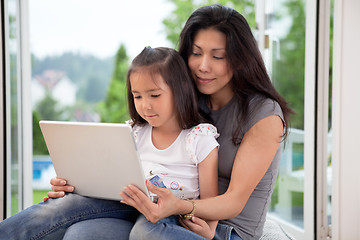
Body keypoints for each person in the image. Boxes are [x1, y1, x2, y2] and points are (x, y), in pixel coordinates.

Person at [0, 47, 219, 240]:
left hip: (170, 213)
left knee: (146, 232)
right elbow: (106, 173)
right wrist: (72, 184)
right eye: (137, 97)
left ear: (180, 88)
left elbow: (212, 201)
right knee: (65, 205)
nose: (146, 106)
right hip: (126, 203)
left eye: (154, 95)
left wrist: (209, 229)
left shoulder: (199, 137)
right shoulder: (133, 131)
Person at [120, 4, 293, 240]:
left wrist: (183, 207)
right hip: (167, 214)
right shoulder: (185, 98)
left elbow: (234, 201)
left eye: (217, 56)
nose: (203, 66)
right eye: (196, 53)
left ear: (239, 59)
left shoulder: (264, 114)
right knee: (84, 231)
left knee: (146, 234)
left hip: (226, 230)